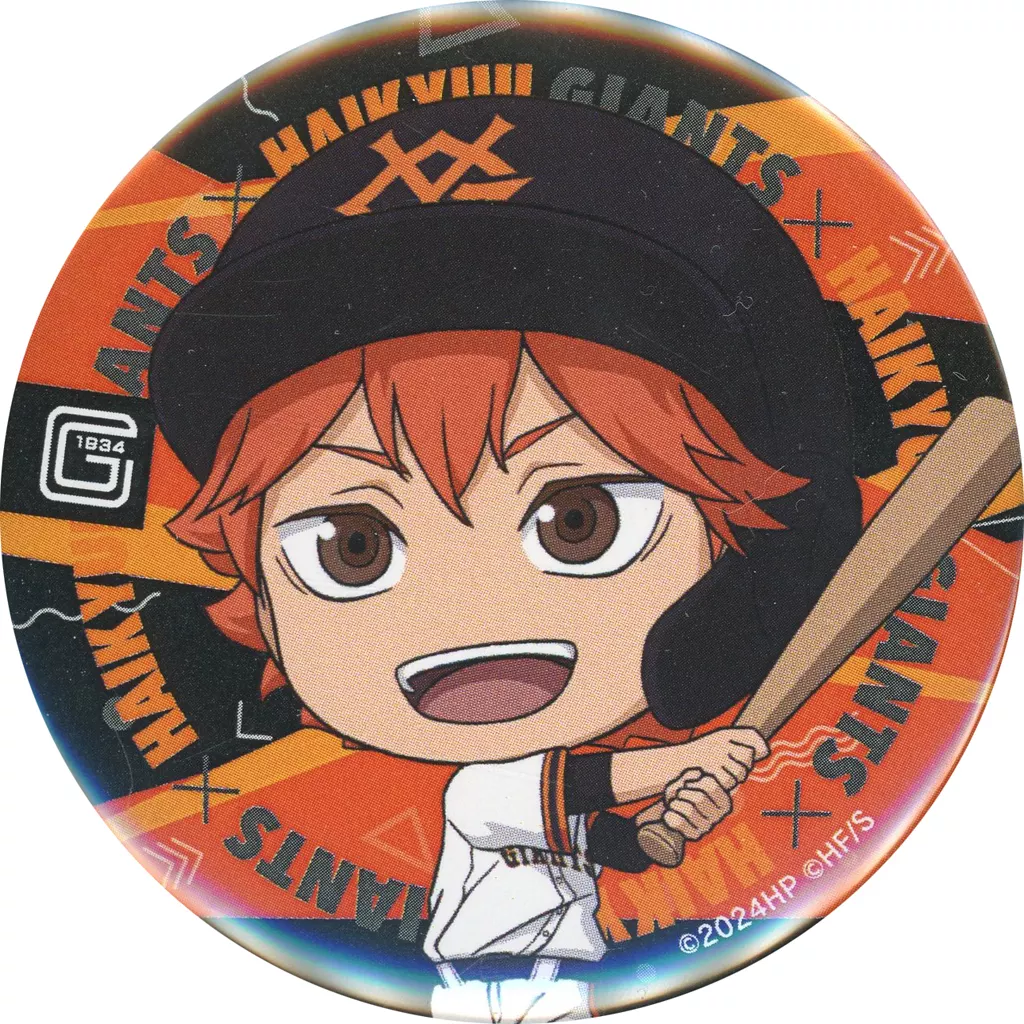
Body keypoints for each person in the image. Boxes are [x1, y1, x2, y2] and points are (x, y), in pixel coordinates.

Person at [152, 96, 861, 1020]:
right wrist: (692, 760)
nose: (467, 610)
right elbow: (575, 786)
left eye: (578, 521)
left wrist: (663, 831)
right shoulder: (485, 789)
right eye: (353, 548)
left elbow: (595, 838)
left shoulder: (525, 796)